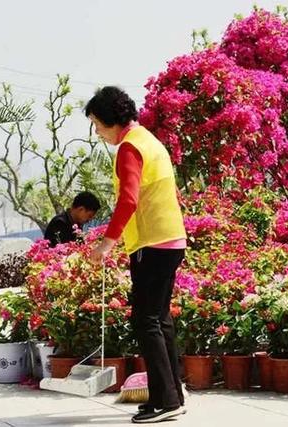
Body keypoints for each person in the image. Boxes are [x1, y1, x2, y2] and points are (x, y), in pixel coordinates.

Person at [86, 86, 187, 424]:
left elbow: (128, 200)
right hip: (171, 239)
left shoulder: (129, 147)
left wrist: (107, 243)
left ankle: (167, 400)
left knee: (146, 320)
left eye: (97, 125)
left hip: (152, 243)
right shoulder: (150, 140)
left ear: (112, 120)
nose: (98, 133)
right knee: (159, 318)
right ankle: (171, 393)